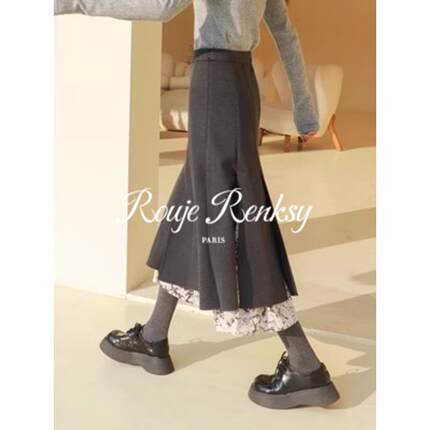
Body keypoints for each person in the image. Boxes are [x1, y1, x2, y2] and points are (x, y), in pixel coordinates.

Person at [55, 0, 340, 409]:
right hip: (239, 83)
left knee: (236, 222)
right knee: (189, 209)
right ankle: (153, 336)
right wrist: (305, 109)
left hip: (215, 82)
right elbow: (284, 31)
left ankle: (305, 364)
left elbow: (162, 7)